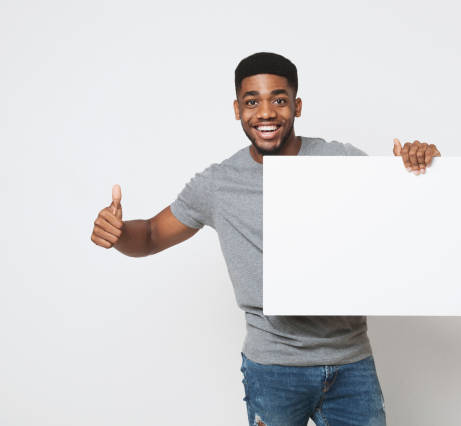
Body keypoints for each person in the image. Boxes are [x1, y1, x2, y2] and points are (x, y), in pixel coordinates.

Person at [90, 52, 441, 426]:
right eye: (252, 101)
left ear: (297, 105)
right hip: (272, 370)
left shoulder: (341, 161)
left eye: (278, 99)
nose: (266, 113)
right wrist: (120, 233)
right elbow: (151, 235)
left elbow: (405, 225)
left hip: (351, 364)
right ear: (238, 108)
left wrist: (422, 166)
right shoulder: (219, 183)